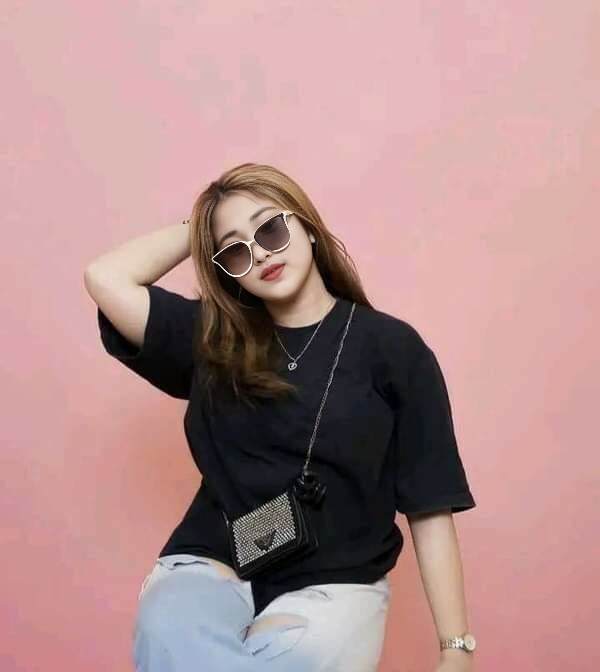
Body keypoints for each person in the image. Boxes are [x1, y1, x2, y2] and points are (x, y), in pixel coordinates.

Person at [83, 162, 477, 672]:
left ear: (307, 227)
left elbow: (430, 504)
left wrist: (455, 646)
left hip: (336, 579)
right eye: (236, 250)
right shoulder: (211, 338)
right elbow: (106, 277)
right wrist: (202, 225)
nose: (262, 252)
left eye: (270, 228)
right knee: (169, 631)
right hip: (213, 561)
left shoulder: (393, 349)